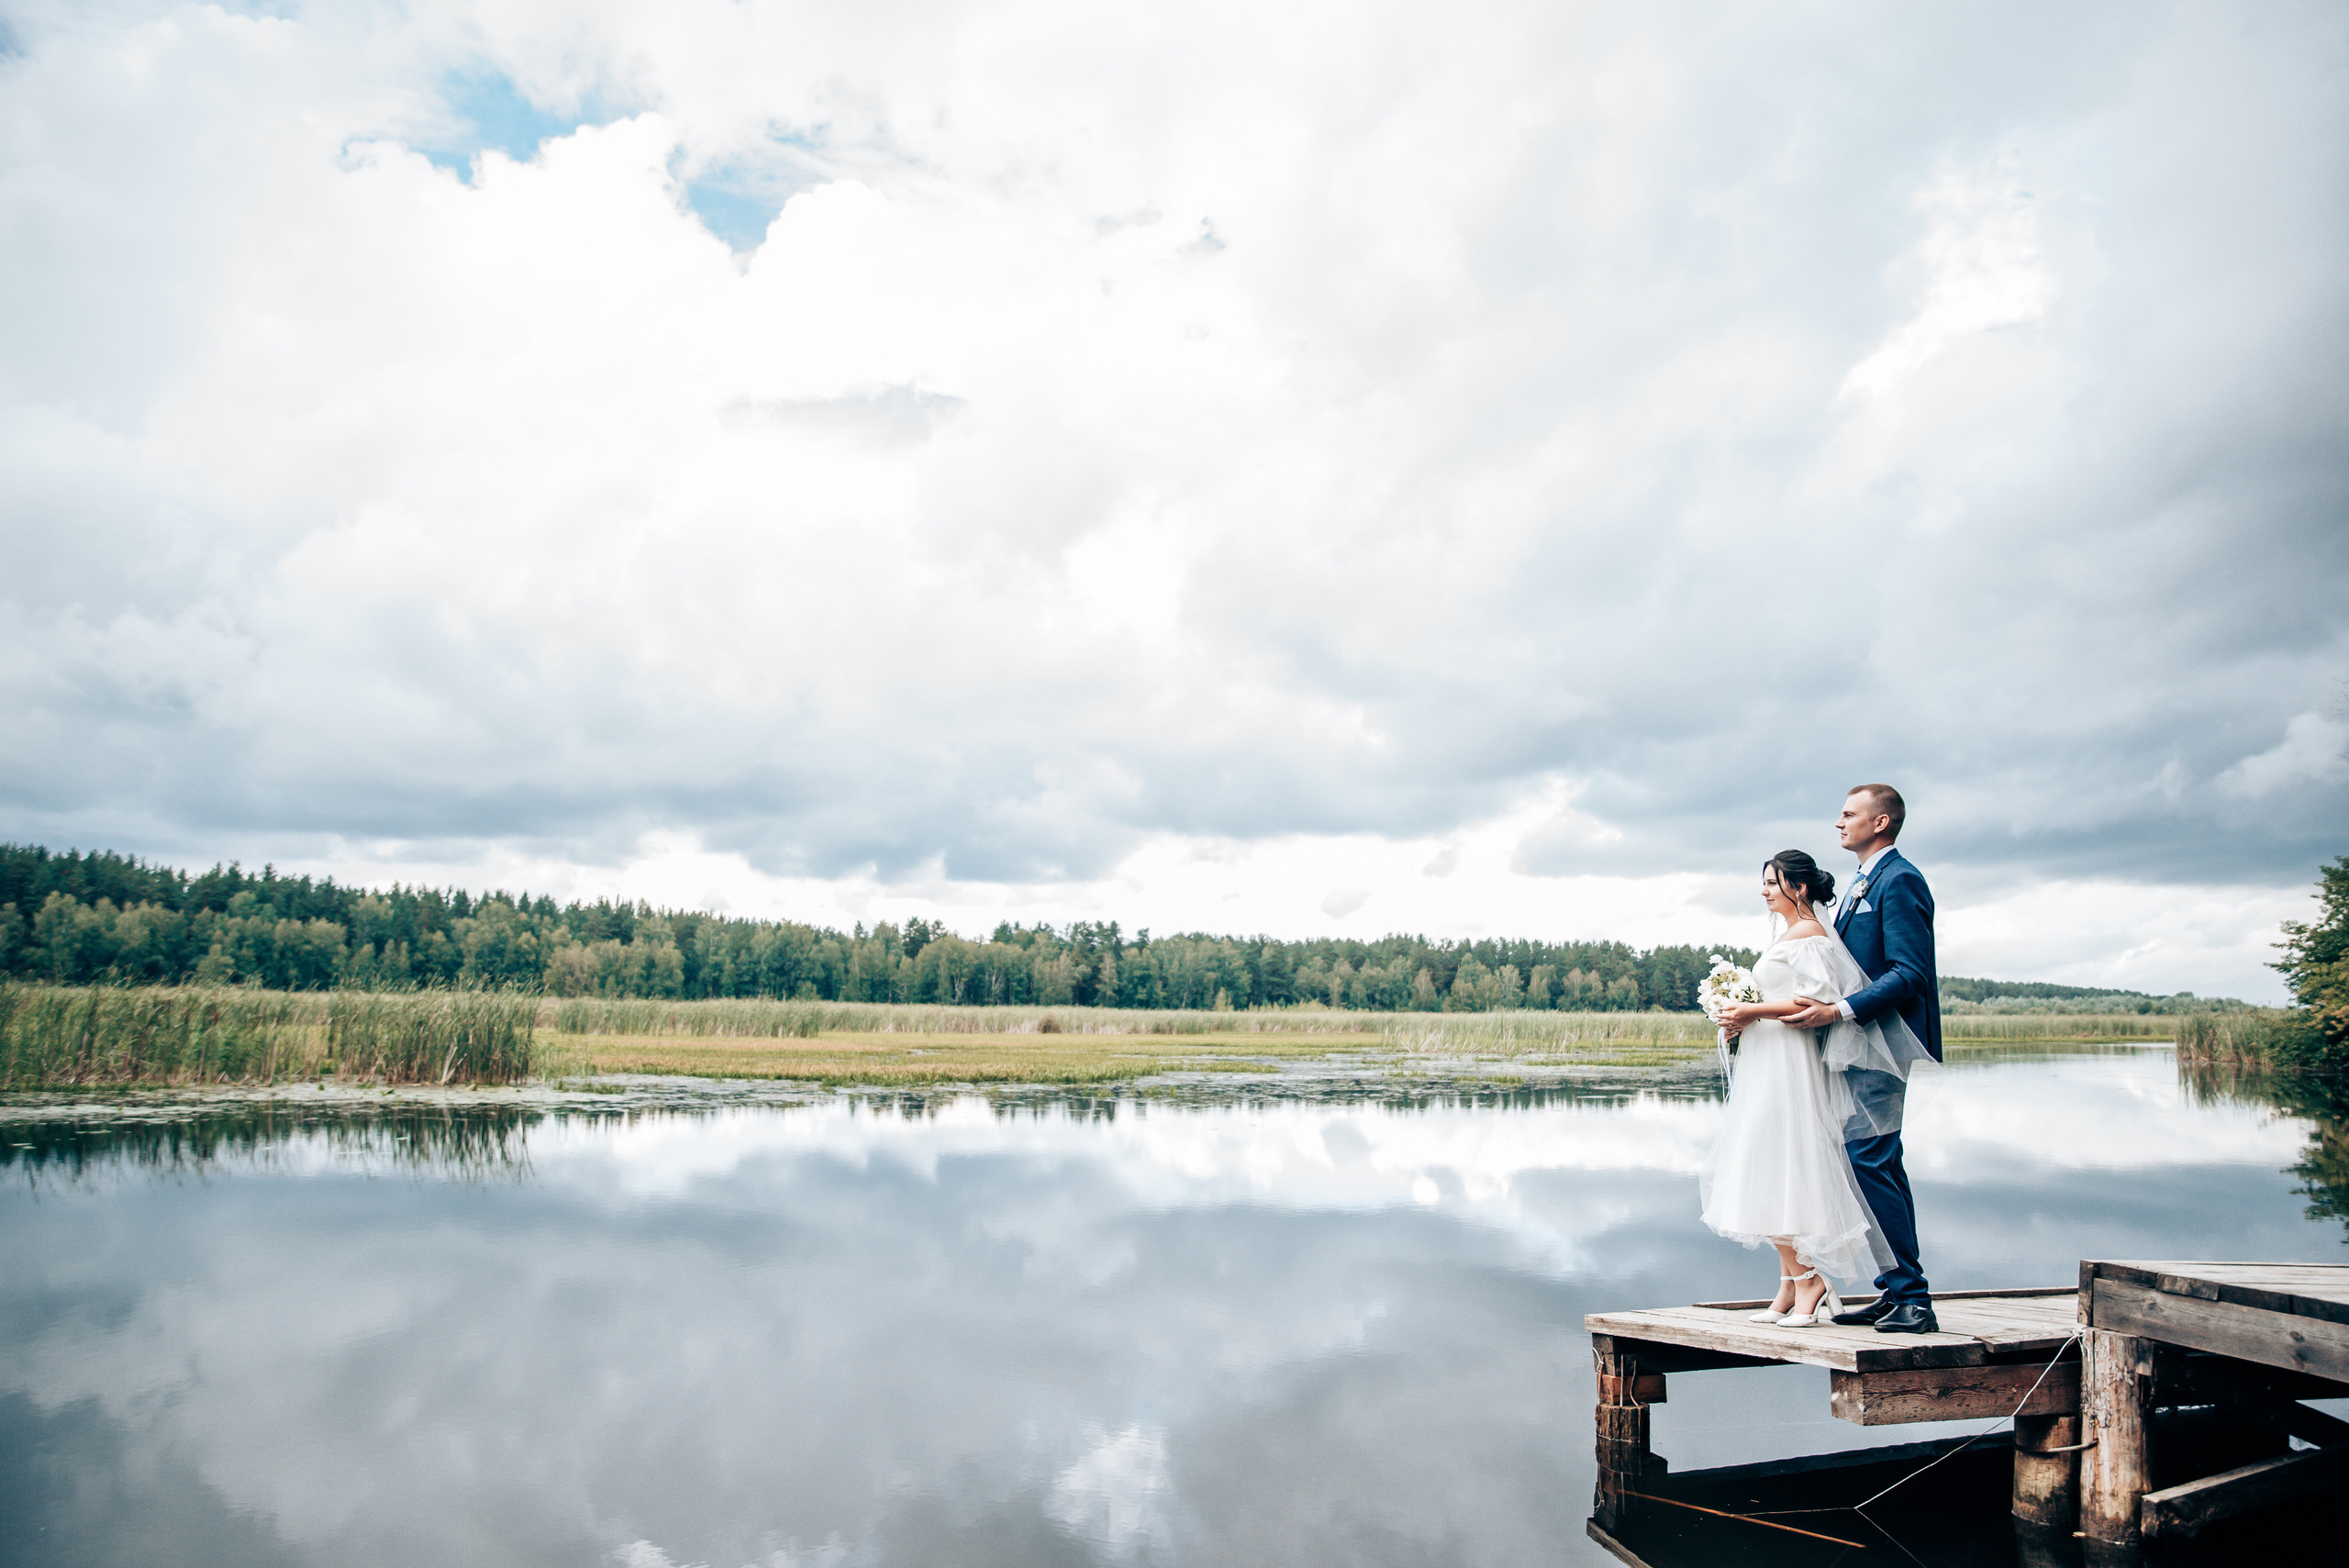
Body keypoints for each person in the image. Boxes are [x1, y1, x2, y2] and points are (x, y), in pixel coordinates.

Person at [1699, 851, 1890, 1326]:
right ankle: (1789, 1284)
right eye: (1763, 882)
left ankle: (1811, 1281)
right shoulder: (1789, 935)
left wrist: (1752, 1012)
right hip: (1768, 1059)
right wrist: (1739, 1019)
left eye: (1771, 882)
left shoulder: (1811, 937)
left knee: (1779, 1163)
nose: (1764, 890)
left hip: (1788, 1064)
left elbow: (1817, 1002)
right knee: (1762, 1164)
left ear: (1799, 888)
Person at [1784, 784, 1942, 1334]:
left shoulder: (1900, 880)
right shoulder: (1861, 883)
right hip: (1859, 1047)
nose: (1839, 823)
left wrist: (1839, 1011)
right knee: (1875, 1167)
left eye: (1849, 814)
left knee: (1871, 1164)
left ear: (1880, 822)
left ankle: (1913, 1301)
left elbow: (1909, 974)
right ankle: (1896, 1287)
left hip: (1881, 1045)